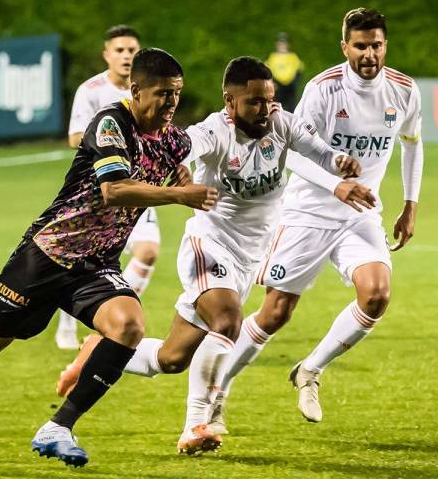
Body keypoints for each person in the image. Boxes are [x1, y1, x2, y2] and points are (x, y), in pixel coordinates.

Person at [0, 48, 218, 468]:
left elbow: (179, 168)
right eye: (162, 94)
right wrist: (179, 194)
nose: (171, 104)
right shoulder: (110, 123)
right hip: (46, 256)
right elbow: (114, 190)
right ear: (136, 90)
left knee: (128, 326)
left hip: (96, 264)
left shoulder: (172, 137)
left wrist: (184, 179)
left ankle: (58, 427)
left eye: (177, 94)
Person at [55, 56, 373, 454]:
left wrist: (339, 163)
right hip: (208, 247)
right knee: (228, 320)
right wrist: (181, 173)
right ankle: (196, 426)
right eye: (254, 102)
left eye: (269, 100)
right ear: (229, 101)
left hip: (246, 259)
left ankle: (94, 352)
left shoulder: (281, 122)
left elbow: (317, 151)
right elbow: (183, 148)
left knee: (171, 359)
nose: (265, 109)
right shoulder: (214, 132)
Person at [202, 7, 424, 429]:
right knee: (275, 313)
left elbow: (413, 143)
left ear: (385, 45)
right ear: (345, 47)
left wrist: (410, 203)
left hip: (359, 215)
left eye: (376, 45)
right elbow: (292, 154)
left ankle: (310, 370)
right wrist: (336, 185)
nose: (369, 54)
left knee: (376, 294)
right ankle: (215, 393)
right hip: (307, 212)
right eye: (360, 46)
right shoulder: (325, 89)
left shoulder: (404, 90)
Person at [56, 25, 162, 349]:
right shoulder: (91, 91)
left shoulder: (147, 89)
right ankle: (68, 323)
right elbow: (75, 137)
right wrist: (111, 137)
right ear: (107, 54)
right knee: (82, 257)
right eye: (119, 50)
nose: (126, 55)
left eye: (131, 50)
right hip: (99, 191)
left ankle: (112, 312)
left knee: (148, 250)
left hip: (137, 187)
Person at [265, 32, 304, 112]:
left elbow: (299, 71)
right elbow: (267, 72)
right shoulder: (272, 57)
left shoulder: (293, 57)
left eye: (284, 43)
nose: (282, 45)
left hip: (290, 88)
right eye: (280, 43)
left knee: (292, 110)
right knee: (276, 109)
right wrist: (272, 83)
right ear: (277, 44)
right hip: (277, 88)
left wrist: (294, 83)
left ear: (288, 44)